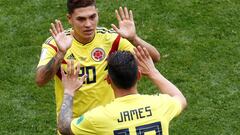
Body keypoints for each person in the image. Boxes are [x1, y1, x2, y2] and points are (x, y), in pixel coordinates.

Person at [35, 0, 160, 132]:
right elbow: (40, 80)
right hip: (73, 127)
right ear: (69, 19)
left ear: (98, 14)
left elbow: (154, 58)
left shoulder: (111, 39)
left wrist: (134, 39)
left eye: (92, 17)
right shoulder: (56, 44)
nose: (88, 24)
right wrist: (61, 54)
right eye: (81, 19)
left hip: (107, 124)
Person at [57, 46, 187, 135]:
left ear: (108, 80)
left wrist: (69, 90)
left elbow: (64, 127)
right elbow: (179, 98)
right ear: (139, 75)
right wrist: (153, 72)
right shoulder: (160, 104)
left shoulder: (98, 117)